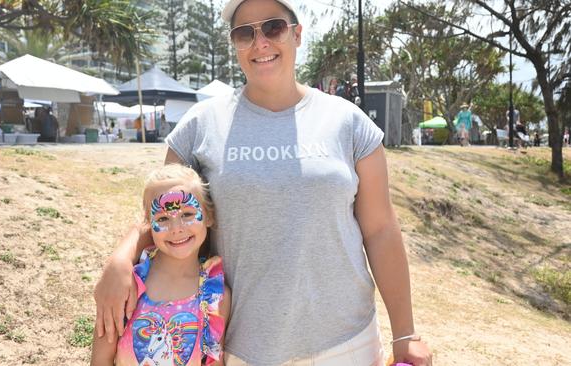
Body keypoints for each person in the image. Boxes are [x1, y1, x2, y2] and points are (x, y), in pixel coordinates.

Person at [94, 0, 432, 365]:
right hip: (243, 347)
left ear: (297, 34)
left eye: (273, 28)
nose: (260, 43)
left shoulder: (349, 123)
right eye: (244, 33)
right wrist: (120, 259)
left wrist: (404, 334)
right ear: (234, 44)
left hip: (348, 343)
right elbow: (163, 212)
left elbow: (380, 230)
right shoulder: (199, 126)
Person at [91, 164, 231, 365]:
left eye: (187, 214)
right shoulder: (128, 286)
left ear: (207, 216)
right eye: (163, 218)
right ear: (149, 224)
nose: (176, 228)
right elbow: (100, 360)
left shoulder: (215, 296)